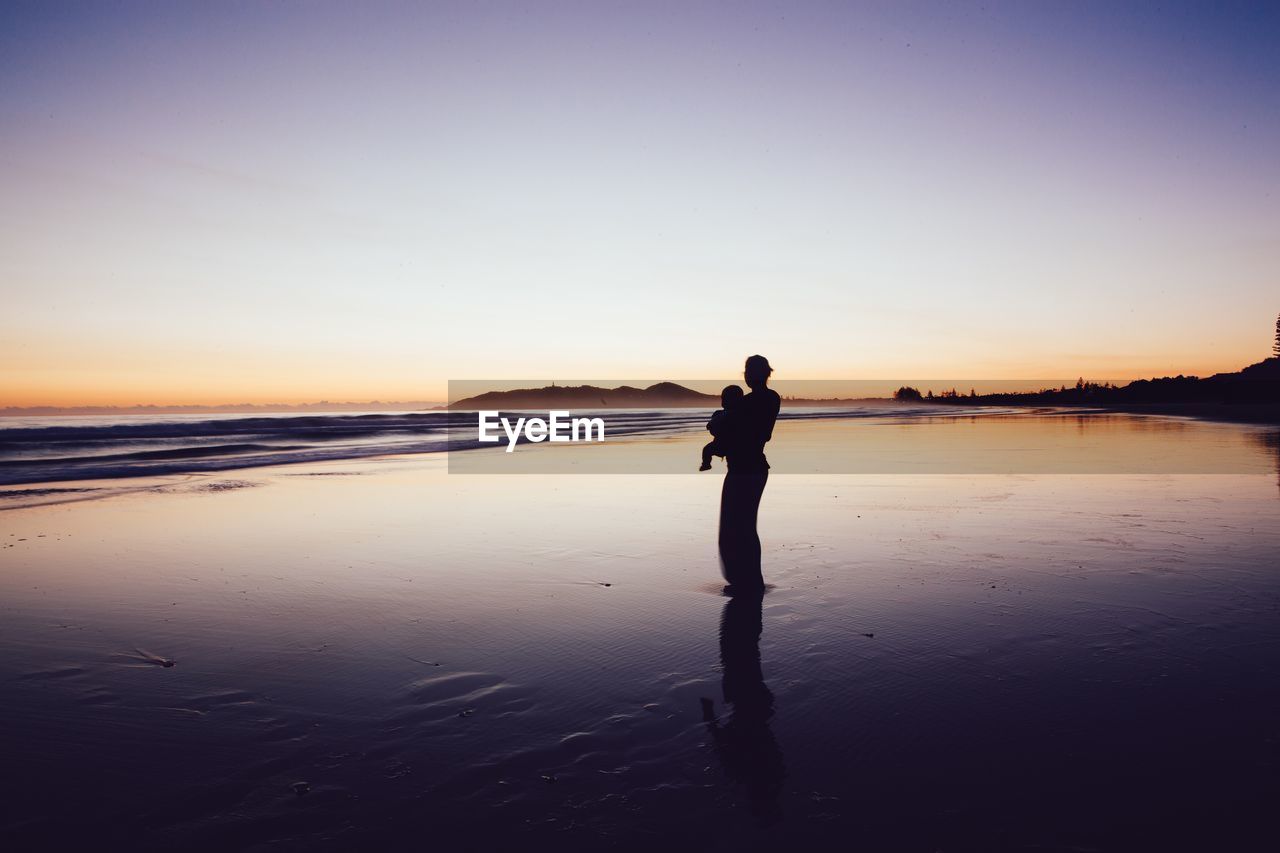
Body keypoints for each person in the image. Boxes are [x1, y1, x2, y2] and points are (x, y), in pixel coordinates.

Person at [717, 355, 781, 594]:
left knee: (738, 527)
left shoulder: (752, 402)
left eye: (748, 370)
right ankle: (749, 580)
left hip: (745, 469)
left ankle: (749, 582)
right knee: (743, 526)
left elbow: (732, 431)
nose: (746, 375)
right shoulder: (769, 399)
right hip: (752, 468)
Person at [700, 384, 745, 471]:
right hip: (722, 443)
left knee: (707, 450)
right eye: (722, 398)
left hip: (724, 443)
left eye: (725, 399)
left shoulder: (732, 413)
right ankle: (706, 464)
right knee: (706, 450)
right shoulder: (720, 413)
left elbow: (713, 427)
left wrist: (711, 425)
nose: (723, 401)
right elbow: (712, 426)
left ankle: (706, 464)